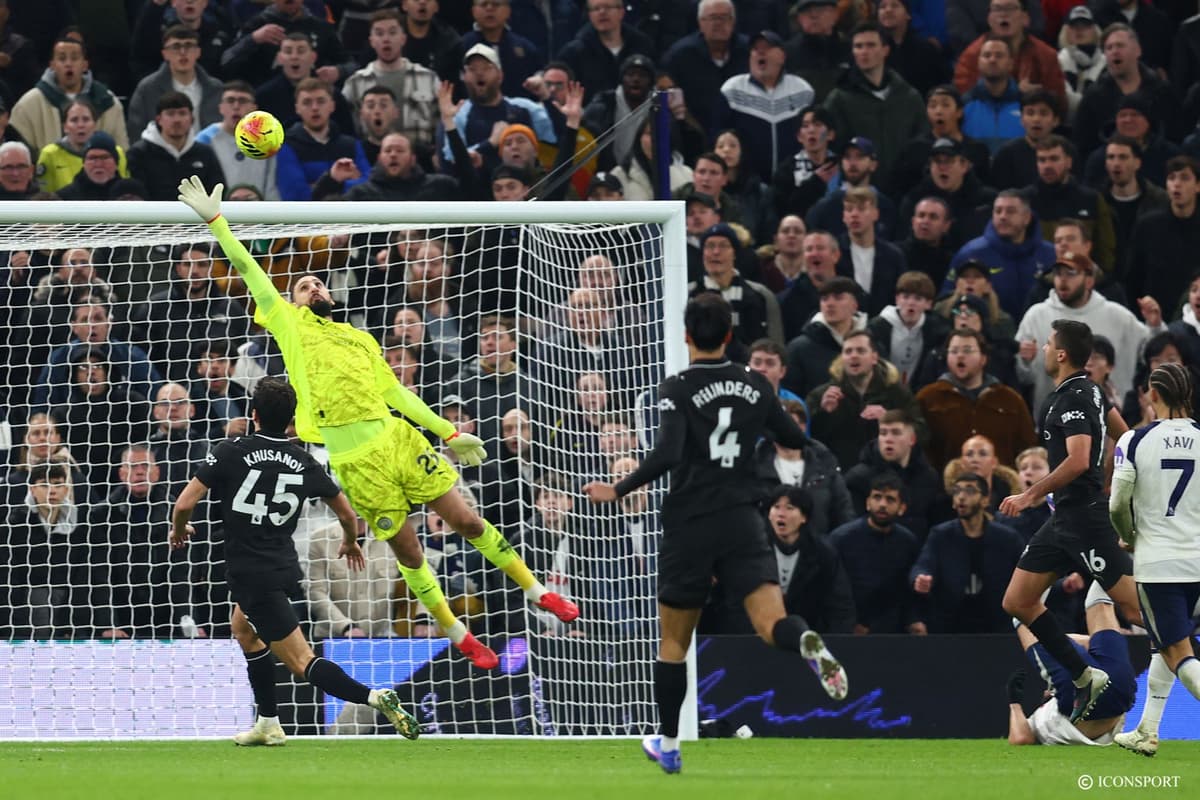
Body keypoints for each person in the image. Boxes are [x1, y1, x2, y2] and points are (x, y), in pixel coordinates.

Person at [177, 175, 578, 671]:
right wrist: (217, 222)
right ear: (293, 301)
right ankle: (458, 633)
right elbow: (248, 268)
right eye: (304, 285)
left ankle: (539, 592)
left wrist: (450, 432)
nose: (314, 285)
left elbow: (396, 394)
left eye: (318, 281)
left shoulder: (362, 340)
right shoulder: (288, 324)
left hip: (397, 438)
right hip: (354, 460)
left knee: (469, 521)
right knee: (410, 555)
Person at [583, 294, 848, 775]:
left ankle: (667, 742)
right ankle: (806, 638)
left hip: (690, 523)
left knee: (674, 644)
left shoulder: (677, 387)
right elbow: (792, 439)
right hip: (744, 519)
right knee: (772, 625)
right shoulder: (755, 383)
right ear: (729, 336)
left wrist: (618, 488)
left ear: (687, 335)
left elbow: (666, 454)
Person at [170, 377, 420, 745]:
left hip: (251, 571)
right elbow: (348, 514)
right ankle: (268, 721)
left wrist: (179, 530)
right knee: (243, 631)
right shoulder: (303, 460)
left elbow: (184, 504)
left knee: (302, 662)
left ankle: (375, 697)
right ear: (291, 420)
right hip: (284, 565)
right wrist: (351, 541)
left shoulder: (229, 450)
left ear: (253, 414)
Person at [998, 319, 1139, 724]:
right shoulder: (1092, 389)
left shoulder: (1073, 397)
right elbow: (1124, 436)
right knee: (1017, 601)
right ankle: (1082, 676)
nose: (1042, 349)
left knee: (1137, 612)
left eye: (1047, 344)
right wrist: (1122, 479)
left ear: (1061, 354)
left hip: (1084, 519)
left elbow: (1078, 460)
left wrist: (1030, 494)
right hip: (1065, 521)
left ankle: (1188, 659)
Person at [1109, 364, 1200, 756]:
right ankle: (1147, 729)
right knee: (1164, 643)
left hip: (1159, 562)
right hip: (1197, 560)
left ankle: (1146, 729)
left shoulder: (1134, 440)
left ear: (1153, 395)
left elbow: (1116, 503)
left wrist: (1129, 535)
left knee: (1179, 651)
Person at [1006, 582, 1137, 746]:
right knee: (1022, 616)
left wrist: (1014, 703)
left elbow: (1085, 642)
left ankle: (1110, 559)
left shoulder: (1043, 718)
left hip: (1120, 692)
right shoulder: (1041, 722)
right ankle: (1039, 564)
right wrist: (1015, 704)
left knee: (1100, 599)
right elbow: (1021, 739)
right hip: (1080, 698)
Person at [911, 472, 1024, 633]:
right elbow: (923, 564)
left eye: (970, 491)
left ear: (986, 500)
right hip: (950, 624)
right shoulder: (941, 534)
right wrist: (920, 577)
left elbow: (1025, 574)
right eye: (957, 491)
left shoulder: (1007, 538)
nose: (961, 497)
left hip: (996, 624)